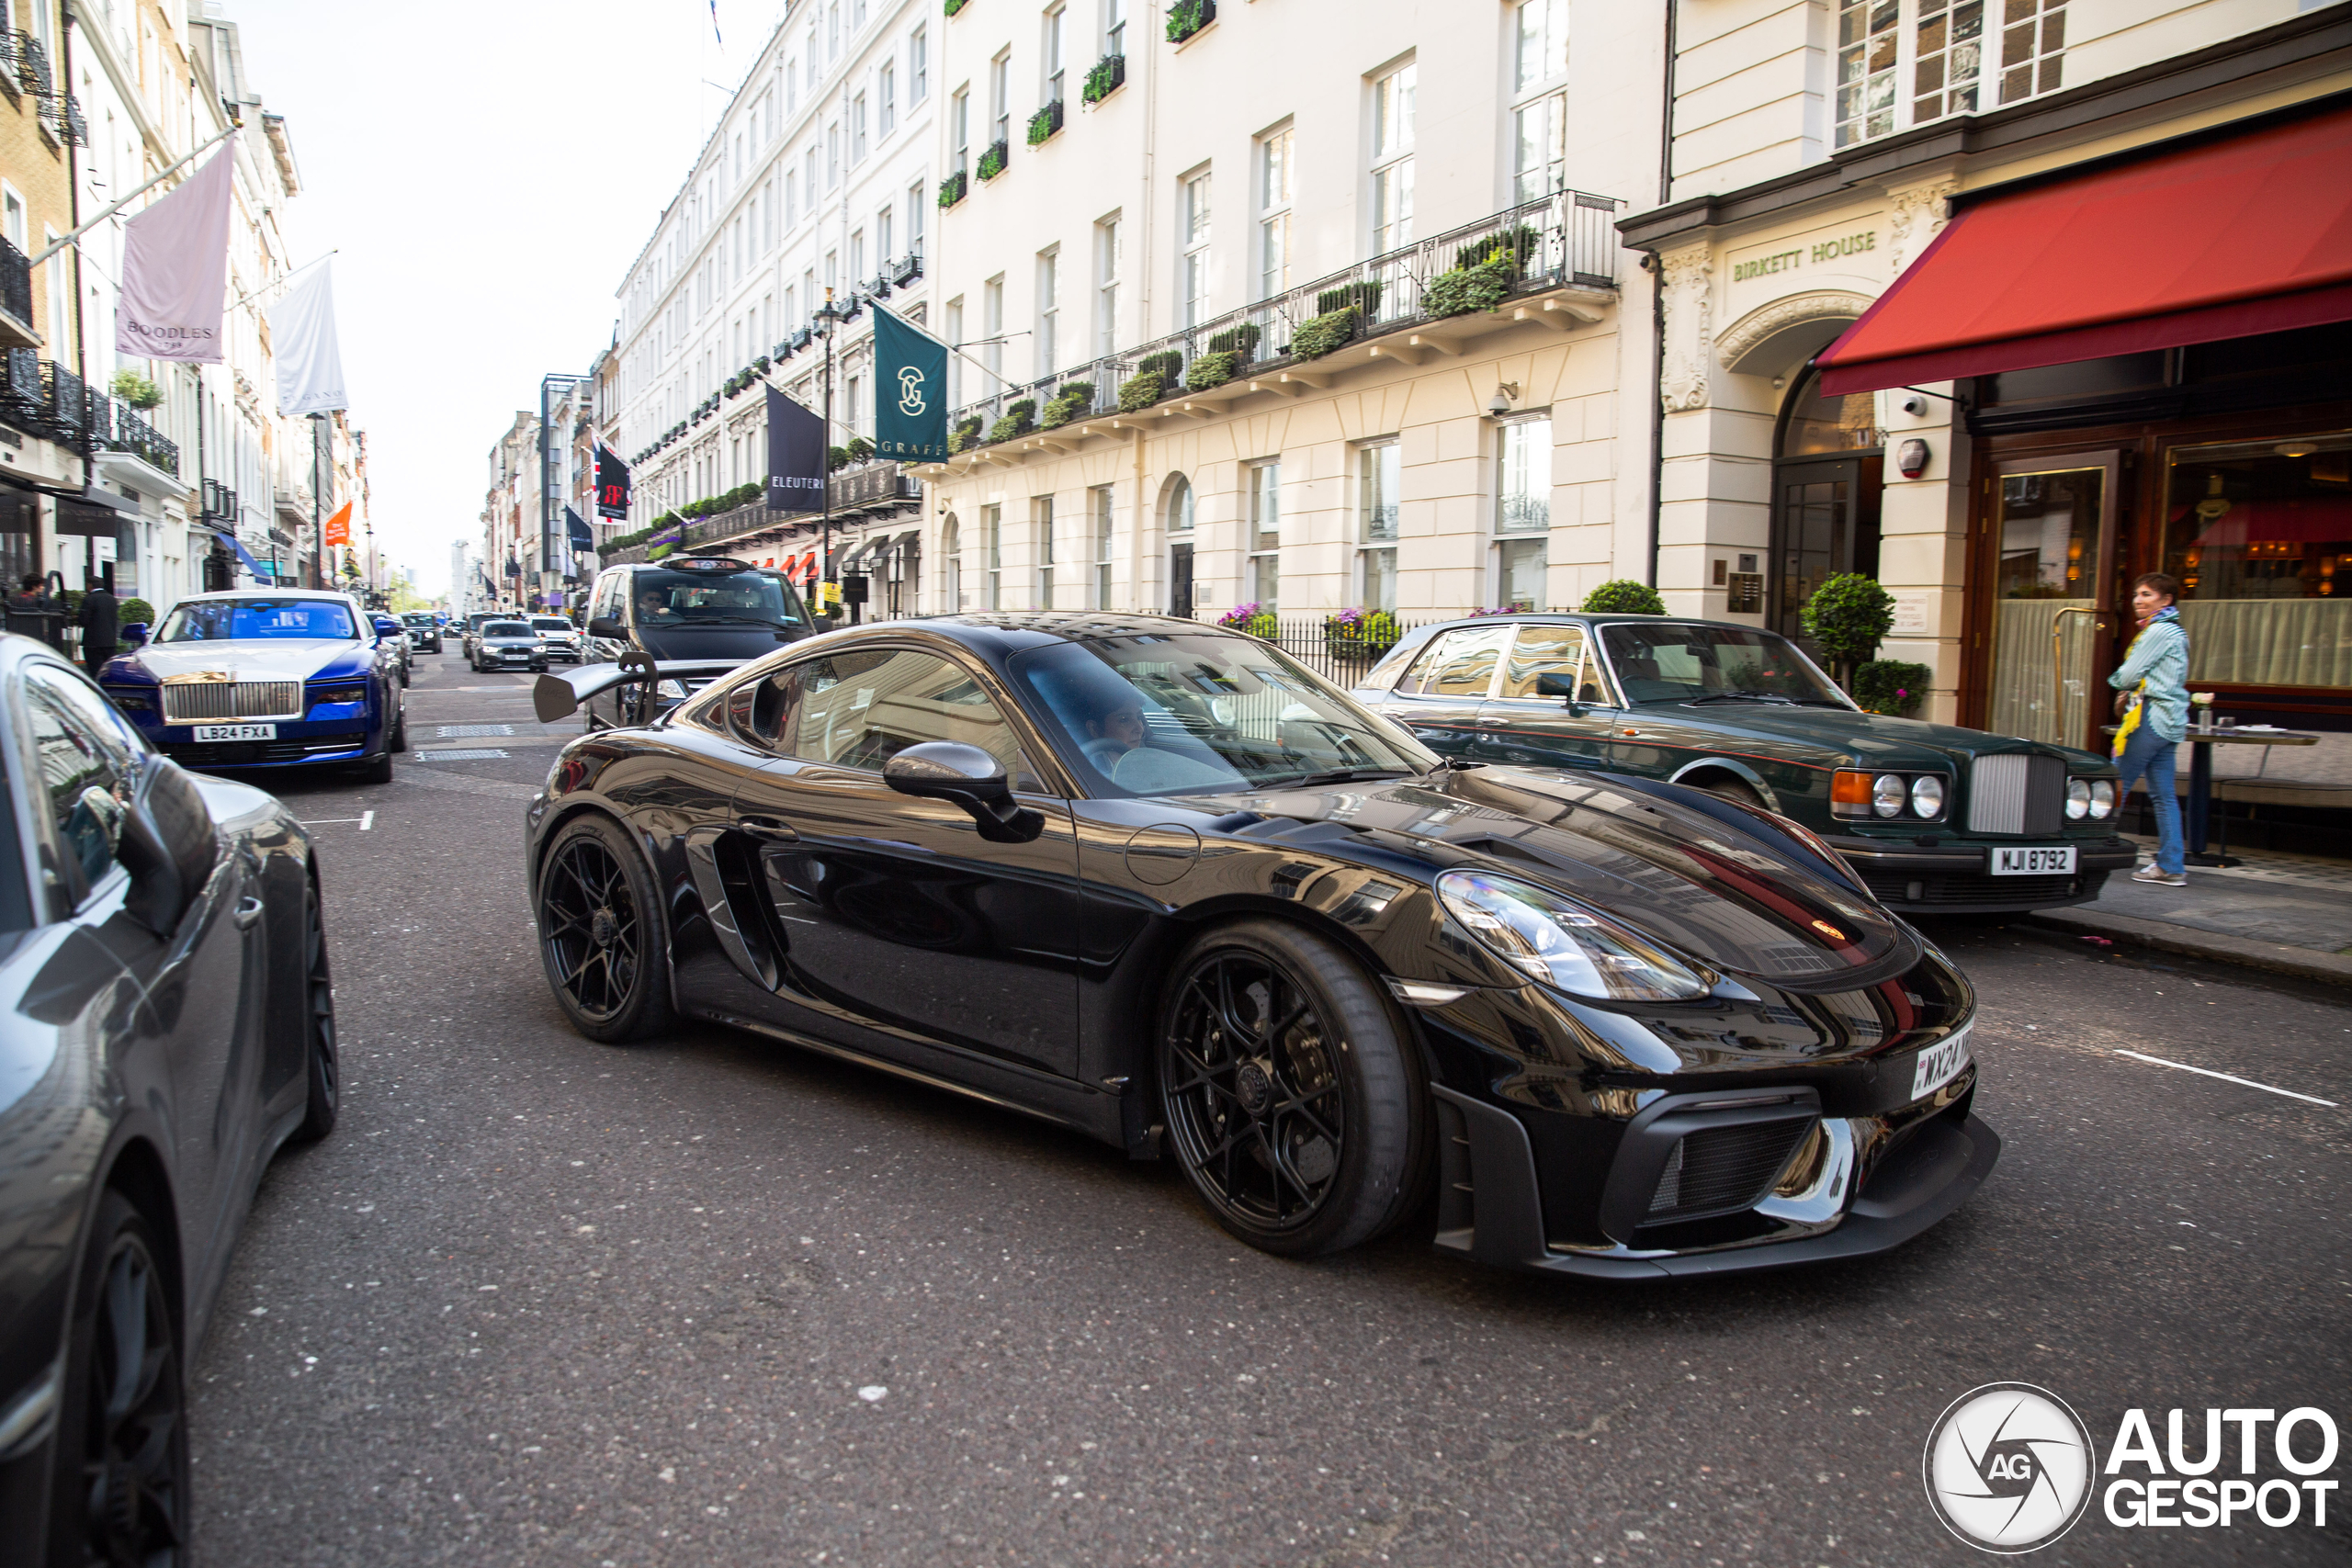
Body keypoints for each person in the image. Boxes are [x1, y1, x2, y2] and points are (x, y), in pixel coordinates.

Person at [2108, 571, 2190, 886]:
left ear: (2166, 600)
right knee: (2164, 796)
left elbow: (2127, 675)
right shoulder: (2176, 631)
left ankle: (2086, 853)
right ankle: (2171, 866)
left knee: (2113, 787)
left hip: (2149, 718)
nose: (2138, 601)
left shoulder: (2157, 632)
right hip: (2169, 722)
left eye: (2146, 595)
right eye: (2136, 595)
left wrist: (2116, 684)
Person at [77, 575, 119, 676]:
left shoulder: (89, 599)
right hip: (110, 642)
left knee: (96, 671)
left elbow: (83, 620)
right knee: (108, 671)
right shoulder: (112, 599)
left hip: (93, 643)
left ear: (90, 585)